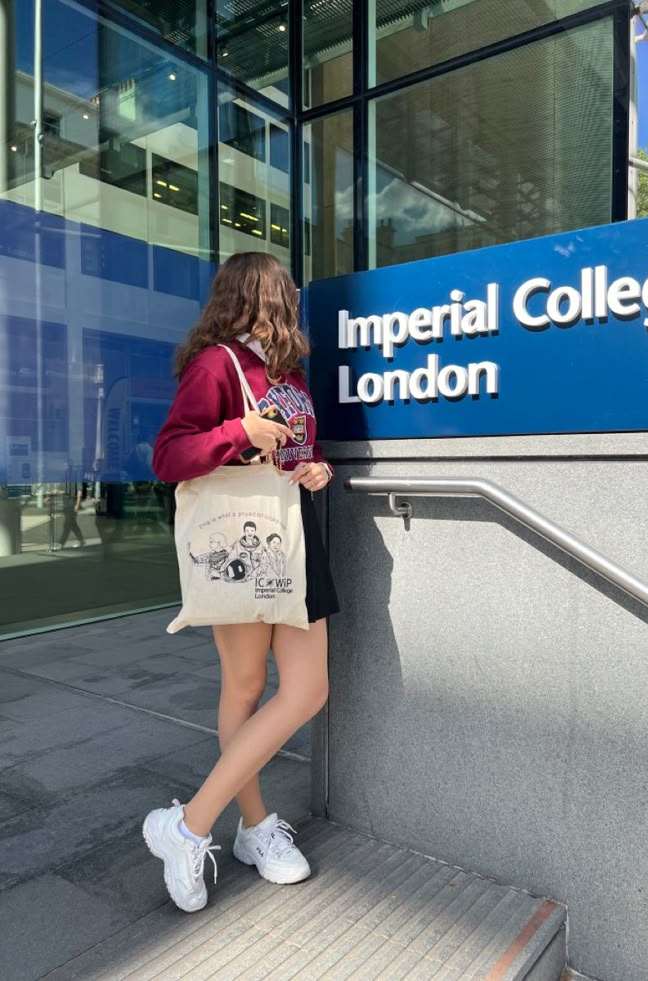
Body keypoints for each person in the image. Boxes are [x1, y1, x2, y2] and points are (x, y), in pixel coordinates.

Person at [143, 252, 339, 913]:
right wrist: (237, 430)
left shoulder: (288, 372)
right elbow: (169, 455)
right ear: (247, 295)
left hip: (295, 531)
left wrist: (314, 469)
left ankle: (189, 824)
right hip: (243, 539)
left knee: (308, 688)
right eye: (275, 289)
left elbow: (293, 451)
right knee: (249, 686)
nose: (283, 298)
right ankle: (250, 826)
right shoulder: (216, 363)